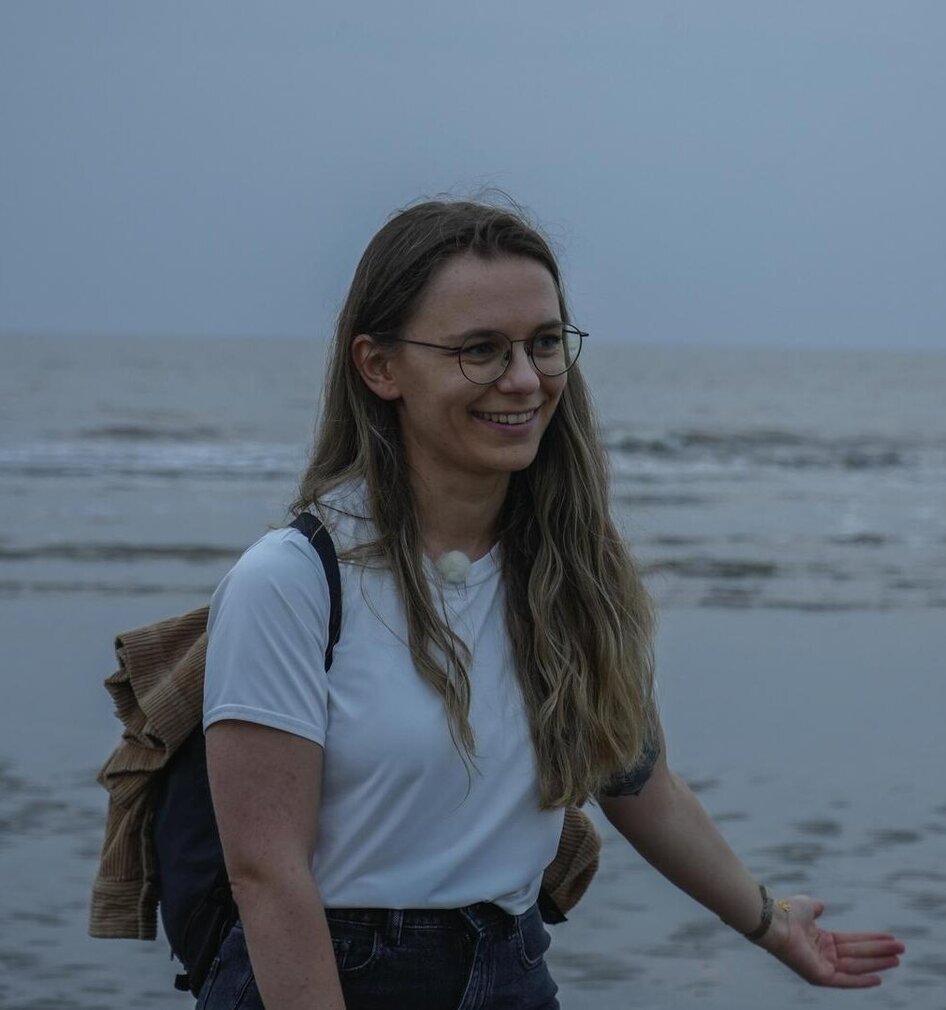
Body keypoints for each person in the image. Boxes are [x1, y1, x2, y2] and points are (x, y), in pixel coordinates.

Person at [199, 198, 904, 1010]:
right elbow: (267, 875)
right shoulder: (291, 581)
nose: (526, 380)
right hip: (333, 974)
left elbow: (639, 786)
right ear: (379, 366)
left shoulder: (569, 573)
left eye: (543, 343)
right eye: (480, 350)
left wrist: (772, 924)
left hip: (513, 969)